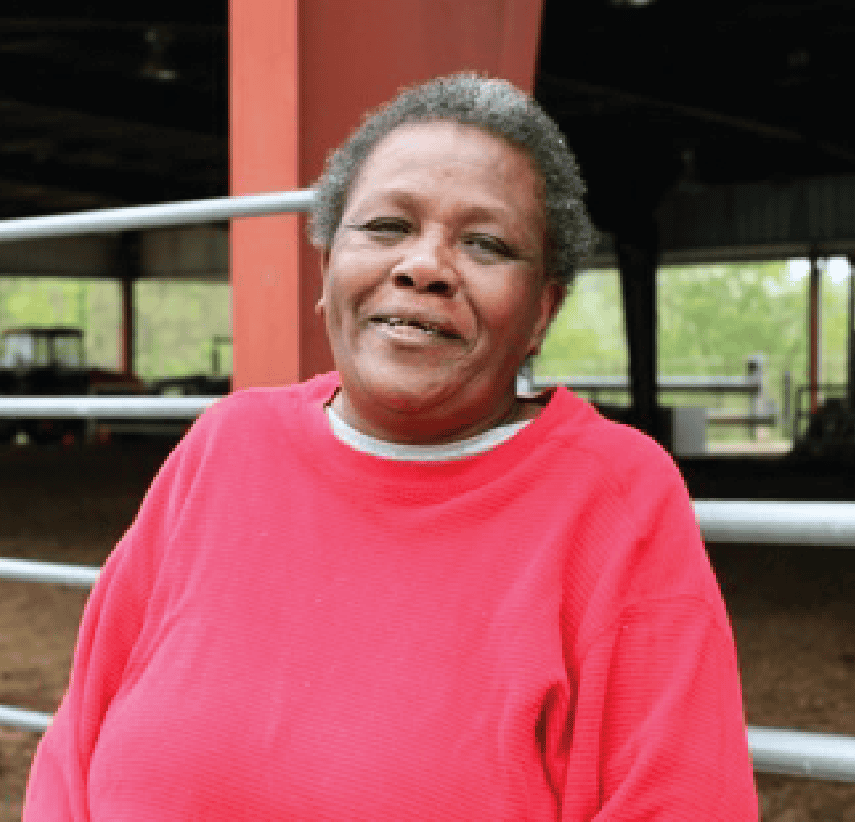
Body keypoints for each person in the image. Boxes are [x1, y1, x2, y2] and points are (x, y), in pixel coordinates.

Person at [24, 74, 758, 820]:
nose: (423, 266)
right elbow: (73, 749)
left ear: (542, 309)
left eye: (485, 243)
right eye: (384, 227)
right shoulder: (227, 443)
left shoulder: (612, 500)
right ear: (326, 267)